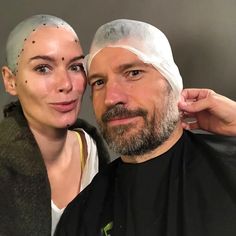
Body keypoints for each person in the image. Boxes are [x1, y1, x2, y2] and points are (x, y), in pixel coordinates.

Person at [55, 19, 236, 236]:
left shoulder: (229, 168)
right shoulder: (81, 216)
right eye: (99, 82)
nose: (111, 98)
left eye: (133, 73)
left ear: (172, 83)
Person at [0, 15, 109, 236]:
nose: (66, 84)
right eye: (43, 68)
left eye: (76, 67)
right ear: (10, 80)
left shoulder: (92, 148)